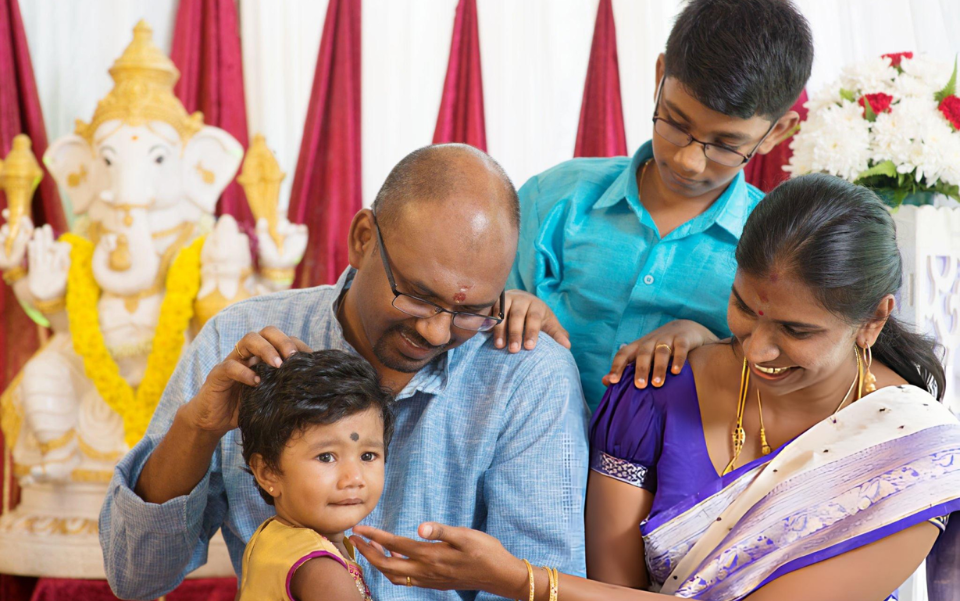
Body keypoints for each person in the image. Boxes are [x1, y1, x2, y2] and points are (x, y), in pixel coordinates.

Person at [349, 175, 960, 601]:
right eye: (744, 308)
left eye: (797, 331)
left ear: (874, 320)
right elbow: (614, 588)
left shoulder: (915, 454)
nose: (757, 347)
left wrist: (521, 580)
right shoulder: (652, 391)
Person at [99, 144, 591, 601]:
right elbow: (136, 576)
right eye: (417, 295)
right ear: (362, 239)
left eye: (471, 311)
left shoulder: (527, 377)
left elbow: (535, 587)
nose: (438, 332)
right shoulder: (241, 341)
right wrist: (198, 428)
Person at [500, 0, 814, 412]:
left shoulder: (777, 250)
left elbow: (782, 391)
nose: (687, 160)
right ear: (660, 75)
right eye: (675, 123)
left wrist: (708, 344)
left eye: (724, 144)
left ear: (776, 132)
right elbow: (467, 328)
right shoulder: (554, 198)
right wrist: (502, 307)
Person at [236, 350, 394, 601]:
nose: (354, 478)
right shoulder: (322, 571)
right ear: (268, 473)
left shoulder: (274, 535)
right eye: (326, 457)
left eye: (367, 456)